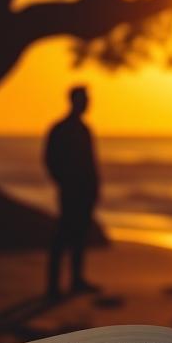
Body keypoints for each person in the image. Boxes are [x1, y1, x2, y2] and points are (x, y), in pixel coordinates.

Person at [44, 85, 101, 298]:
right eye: (84, 99)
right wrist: (63, 181)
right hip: (70, 190)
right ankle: (53, 286)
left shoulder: (84, 130)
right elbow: (50, 159)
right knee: (63, 235)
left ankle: (76, 280)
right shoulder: (61, 129)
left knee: (79, 235)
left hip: (85, 190)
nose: (88, 103)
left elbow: (91, 162)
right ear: (75, 101)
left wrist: (94, 187)